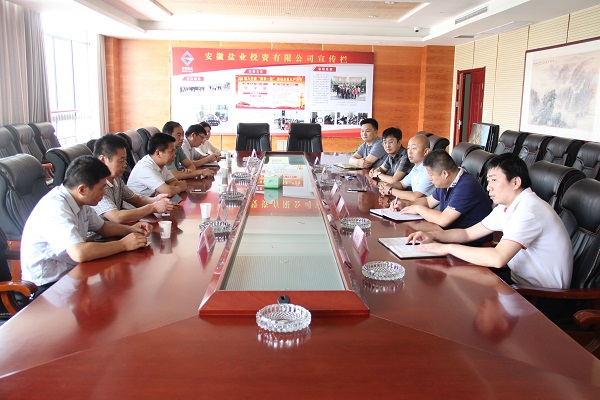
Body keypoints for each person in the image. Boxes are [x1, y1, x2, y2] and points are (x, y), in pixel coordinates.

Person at [407, 153, 573, 289]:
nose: (488, 187)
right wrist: (433, 236)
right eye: (488, 181)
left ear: (515, 182)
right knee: (454, 284)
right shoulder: (507, 206)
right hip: (517, 281)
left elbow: (497, 258)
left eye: (494, 180)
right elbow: (467, 233)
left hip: (541, 295)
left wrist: (446, 248)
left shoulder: (529, 211)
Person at [20, 156, 152, 296]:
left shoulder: (78, 201)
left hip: (73, 274)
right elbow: (79, 253)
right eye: (101, 188)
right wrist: (123, 244)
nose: (104, 193)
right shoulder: (55, 208)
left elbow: (103, 227)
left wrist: (130, 229)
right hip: (48, 287)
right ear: (82, 189)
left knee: (124, 288)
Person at [396, 149, 492, 246]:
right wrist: (406, 205)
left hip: (472, 243)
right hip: (450, 235)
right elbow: (428, 201)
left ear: (445, 174)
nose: (429, 178)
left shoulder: (466, 186)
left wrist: (417, 208)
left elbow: (443, 220)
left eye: (431, 174)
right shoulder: (446, 182)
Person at [92, 134, 176, 224]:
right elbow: (116, 217)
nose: (125, 165)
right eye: (121, 161)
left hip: (117, 228)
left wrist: (156, 200)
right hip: (101, 232)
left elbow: (136, 199)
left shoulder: (116, 179)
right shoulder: (94, 184)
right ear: (103, 160)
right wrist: (153, 207)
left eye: (125, 160)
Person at [127, 133, 188, 197]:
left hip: (154, 201)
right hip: (140, 203)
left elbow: (174, 181)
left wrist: (166, 190)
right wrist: (180, 188)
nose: (174, 155)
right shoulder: (144, 168)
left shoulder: (161, 165)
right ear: (158, 153)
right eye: (171, 151)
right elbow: (169, 192)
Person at [380, 134, 434, 202]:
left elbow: (415, 196)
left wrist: (390, 190)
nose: (409, 152)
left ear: (426, 151)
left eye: (414, 148)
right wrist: (388, 186)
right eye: (408, 148)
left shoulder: (428, 170)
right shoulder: (416, 167)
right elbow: (402, 184)